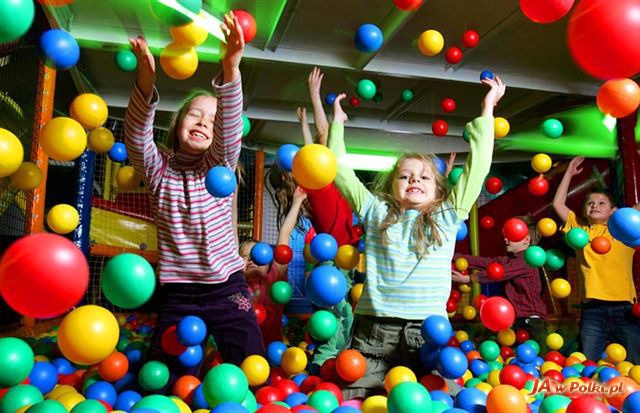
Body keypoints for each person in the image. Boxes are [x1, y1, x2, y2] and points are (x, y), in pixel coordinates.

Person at [328, 76, 506, 398]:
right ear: (391, 186)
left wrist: (487, 109)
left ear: (438, 191)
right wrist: (336, 124)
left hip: (426, 330)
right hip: (375, 328)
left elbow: (477, 168)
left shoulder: (447, 216)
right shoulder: (376, 211)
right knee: (357, 397)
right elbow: (339, 171)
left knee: (439, 399)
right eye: (405, 176)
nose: (414, 181)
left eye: (424, 177)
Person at [124, 12, 265, 377]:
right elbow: (137, 138)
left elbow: (230, 130)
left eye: (211, 119)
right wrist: (146, 82)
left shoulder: (218, 167)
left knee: (250, 363)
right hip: (179, 292)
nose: (204, 121)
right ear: (178, 125)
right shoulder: (159, 170)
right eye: (195, 115)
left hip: (226, 285)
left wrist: (231, 68)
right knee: (162, 375)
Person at [297, 67, 360, 371]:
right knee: (337, 315)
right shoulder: (320, 186)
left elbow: (320, 144)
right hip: (333, 261)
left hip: (342, 260)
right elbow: (321, 141)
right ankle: (326, 361)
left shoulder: (336, 180)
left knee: (344, 314)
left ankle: (335, 358)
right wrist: (315, 98)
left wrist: (311, 123)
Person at [552, 156, 640, 363]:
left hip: (624, 308)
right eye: (590, 203)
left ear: (613, 211)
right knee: (587, 363)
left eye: (601, 203)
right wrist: (569, 173)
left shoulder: (623, 229)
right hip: (593, 310)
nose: (594, 206)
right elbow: (558, 204)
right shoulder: (580, 231)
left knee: (635, 362)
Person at [452, 220, 548, 346]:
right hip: (516, 321)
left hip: (531, 322)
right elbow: (484, 262)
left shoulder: (527, 260)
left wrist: (469, 278)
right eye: (506, 235)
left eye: (511, 236)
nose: (505, 239)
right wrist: (453, 257)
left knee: (533, 356)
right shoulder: (509, 260)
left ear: (526, 240)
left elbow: (501, 273)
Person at [240, 186, 307, 346]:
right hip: (242, 348)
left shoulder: (274, 279)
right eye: (245, 257)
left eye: (257, 255)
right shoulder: (236, 285)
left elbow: (285, 233)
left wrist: (297, 201)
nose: (251, 260)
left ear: (269, 263)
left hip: (270, 350)